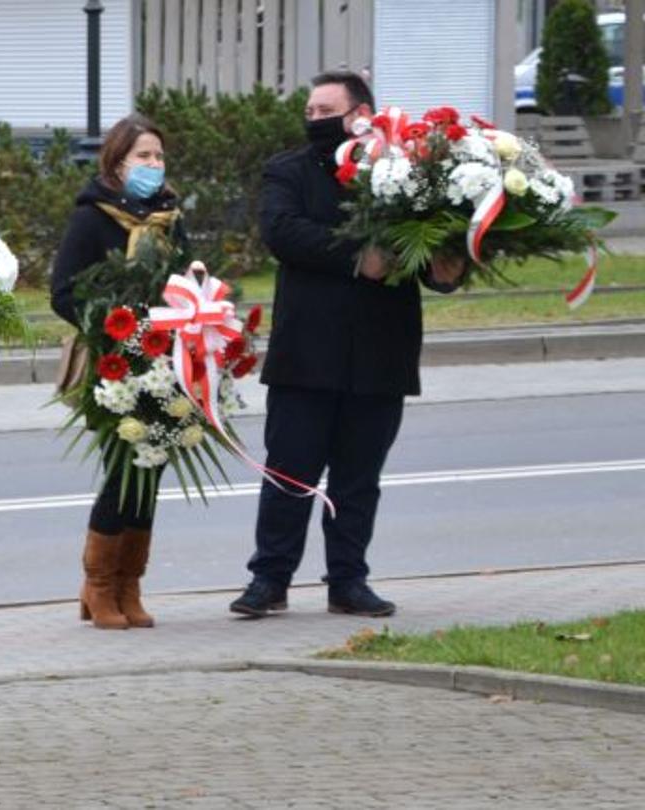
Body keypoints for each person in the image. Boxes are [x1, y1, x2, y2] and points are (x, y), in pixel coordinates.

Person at [229, 71, 465, 619]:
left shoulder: (405, 173)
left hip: (381, 353)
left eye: (325, 110)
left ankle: (348, 581)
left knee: (359, 479)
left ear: (361, 114)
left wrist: (448, 269)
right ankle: (270, 580)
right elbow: (282, 231)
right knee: (291, 474)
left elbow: (430, 248)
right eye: (309, 111)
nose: (314, 119)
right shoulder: (287, 170)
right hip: (308, 352)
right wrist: (359, 257)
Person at [48, 114, 186, 630]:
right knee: (125, 471)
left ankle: (129, 585)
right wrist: (111, 324)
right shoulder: (93, 217)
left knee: (150, 473)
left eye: (159, 156)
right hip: (112, 365)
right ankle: (98, 584)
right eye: (143, 156)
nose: (153, 166)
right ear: (117, 161)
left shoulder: (169, 216)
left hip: (164, 361)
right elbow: (63, 291)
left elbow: (186, 278)